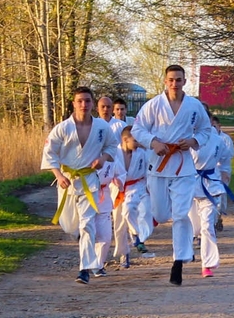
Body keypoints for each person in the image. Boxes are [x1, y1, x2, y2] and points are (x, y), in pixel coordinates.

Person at [132, 64, 213, 285]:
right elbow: (137, 129)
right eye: (171, 80)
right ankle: (176, 247)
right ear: (165, 81)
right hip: (159, 164)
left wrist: (193, 141)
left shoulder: (194, 106)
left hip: (184, 166)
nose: (174, 83)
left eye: (178, 79)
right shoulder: (153, 105)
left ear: (185, 81)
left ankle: (178, 261)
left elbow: (206, 130)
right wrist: (153, 142)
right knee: (160, 213)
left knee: (180, 214)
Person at [42, 86, 121, 284]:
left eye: (87, 101)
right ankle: (83, 243)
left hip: (89, 181)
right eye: (80, 101)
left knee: (87, 224)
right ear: (74, 103)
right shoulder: (62, 128)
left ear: (92, 104)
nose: (84, 105)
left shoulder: (102, 128)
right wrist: (58, 175)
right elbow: (49, 153)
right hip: (67, 180)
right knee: (70, 226)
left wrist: (103, 158)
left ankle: (84, 269)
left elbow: (112, 146)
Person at [189, 114, 234, 277]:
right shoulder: (186, 138)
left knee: (207, 226)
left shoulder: (217, 140)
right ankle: (185, 252)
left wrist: (225, 173)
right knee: (194, 227)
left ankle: (207, 265)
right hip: (189, 183)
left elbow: (225, 159)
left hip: (211, 184)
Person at [111, 126, 155, 267]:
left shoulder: (142, 152)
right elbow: (105, 169)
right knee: (119, 224)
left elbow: (152, 162)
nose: (137, 143)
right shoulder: (113, 152)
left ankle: (137, 237)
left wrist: (150, 187)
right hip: (118, 189)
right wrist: (113, 179)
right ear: (125, 139)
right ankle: (125, 254)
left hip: (138, 186)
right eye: (135, 141)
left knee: (136, 210)